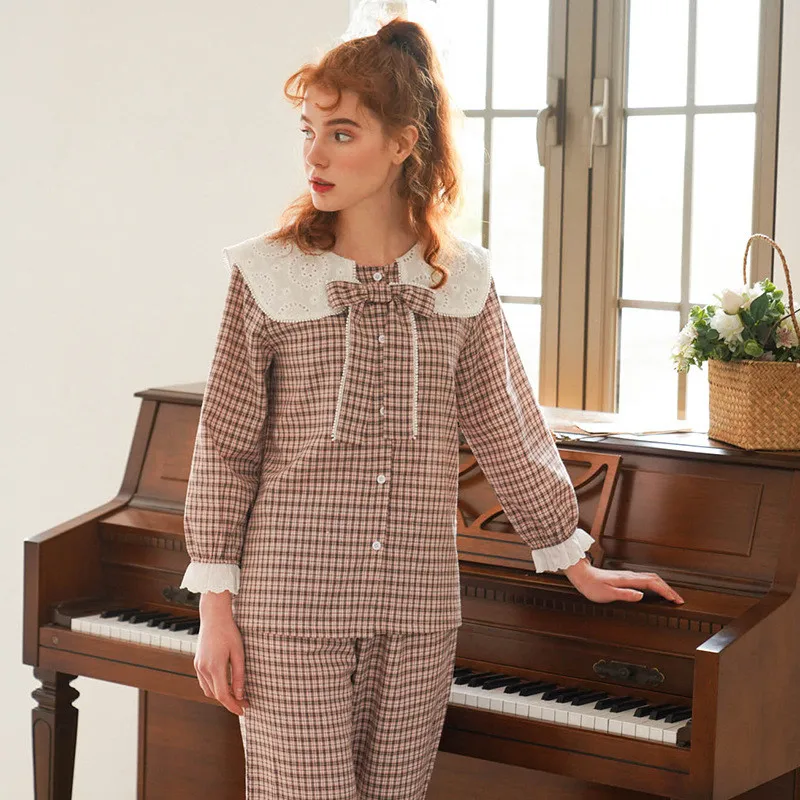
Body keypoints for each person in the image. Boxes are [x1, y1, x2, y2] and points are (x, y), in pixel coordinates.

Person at [179, 14, 684, 800]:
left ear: (402, 143)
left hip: (419, 614)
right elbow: (227, 444)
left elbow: (508, 428)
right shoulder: (268, 275)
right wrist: (216, 610)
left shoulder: (463, 281)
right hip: (291, 611)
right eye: (308, 131)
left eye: (341, 133)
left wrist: (574, 561)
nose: (314, 155)